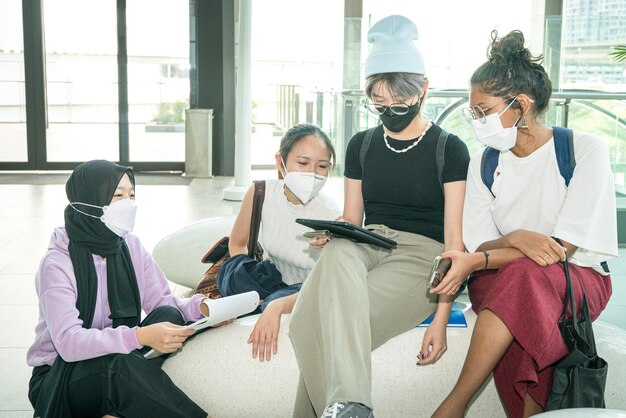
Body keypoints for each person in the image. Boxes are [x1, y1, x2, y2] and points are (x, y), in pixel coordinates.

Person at [288, 15, 471, 418]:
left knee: (307, 325)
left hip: (422, 256)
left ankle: (347, 406)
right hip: (367, 242)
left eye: (401, 103)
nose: (390, 112)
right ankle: (352, 406)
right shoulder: (362, 145)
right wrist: (334, 231)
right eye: (380, 104)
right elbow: (353, 218)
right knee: (337, 251)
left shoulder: (450, 149)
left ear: (424, 90)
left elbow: (455, 244)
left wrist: (441, 317)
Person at [432, 30, 617, 418]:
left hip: (577, 278)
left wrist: (489, 256)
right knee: (518, 289)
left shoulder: (583, 150)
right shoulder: (485, 162)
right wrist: (517, 237)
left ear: (520, 104)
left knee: (523, 279)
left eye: (483, 111)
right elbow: (481, 241)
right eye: (473, 112)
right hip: (507, 281)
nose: (477, 120)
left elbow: (560, 249)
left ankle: (454, 404)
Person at [27, 160, 212, 418]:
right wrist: (139, 336)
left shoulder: (130, 245)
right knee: (117, 366)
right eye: (117, 196)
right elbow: (69, 343)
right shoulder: (57, 263)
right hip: (60, 375)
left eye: (131, 194)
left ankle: (116, 403)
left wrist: (205, 307)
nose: (128, 203)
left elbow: (162, 301)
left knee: (170, 316)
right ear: (90, 201)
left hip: (115, 354)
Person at [220, 123, 341, 362]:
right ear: (280, 161)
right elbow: (238, 243)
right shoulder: (260, 192)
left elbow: (331, 287)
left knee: (275, 303)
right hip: (269, 277)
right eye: (303, 163)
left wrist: (277, 306)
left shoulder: (333, 215)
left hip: (306, 292)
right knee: (235, 277)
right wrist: (243, 277)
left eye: (322, 166)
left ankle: (267, 304)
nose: (312, 173)